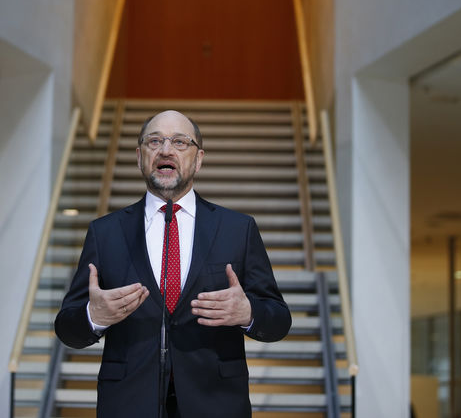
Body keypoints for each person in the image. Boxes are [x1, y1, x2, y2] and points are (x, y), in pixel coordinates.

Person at [55, 110, 291, 417]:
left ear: (199, 159)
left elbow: (279, 320)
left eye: (180, 142)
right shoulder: (105, 232)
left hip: (216, 403)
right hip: (128, 404)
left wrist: (248, 313)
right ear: (140, 157)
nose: (166, 150)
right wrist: (93, 316)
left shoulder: (238, 229)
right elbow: (67, 326)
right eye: (155, 141)